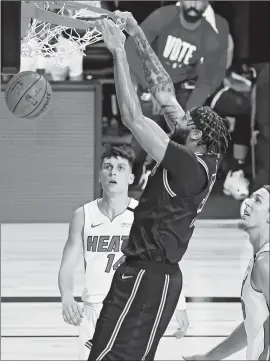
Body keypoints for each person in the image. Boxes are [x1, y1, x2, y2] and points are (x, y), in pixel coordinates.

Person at [86, 12, 230, 360]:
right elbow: (163, 92)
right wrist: (136, 33)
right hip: (145, 273)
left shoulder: (188, 165)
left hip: (150, 276)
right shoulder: (198, 155)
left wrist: (119, 52)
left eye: (188, 121)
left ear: (196, 135)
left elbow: (133, 118)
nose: (180, 119)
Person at [58, 145, 189, 360]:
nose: (113, 172)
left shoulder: (143, 215)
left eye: (120, 168)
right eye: (108, 167)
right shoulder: (82, 215)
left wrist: (179, 306)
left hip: (133, 310)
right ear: (100, 175)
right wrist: (66, 297)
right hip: (93, 310)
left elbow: (164, 261)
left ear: (131, 178)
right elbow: (68, 263)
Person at [184, 185, 270, 360]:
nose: (248, 203)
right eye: (251, 197)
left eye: (258, 201)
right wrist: (210, 357)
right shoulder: (258, 259)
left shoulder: (265, 264)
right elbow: (255, 325)